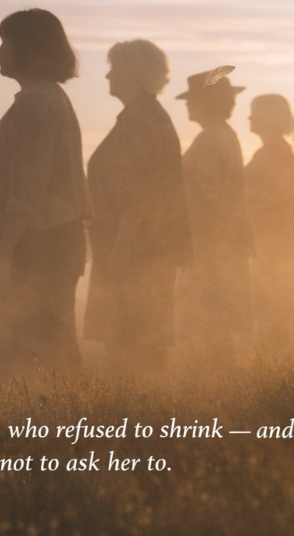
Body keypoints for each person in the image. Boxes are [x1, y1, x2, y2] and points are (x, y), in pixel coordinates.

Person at [0, 9, 90, 377]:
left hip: (34, 244)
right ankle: (68, 423)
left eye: (5, 44)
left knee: (27, 352)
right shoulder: (53, 97)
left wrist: (5, 253)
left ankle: (41, 429)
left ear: (28, 49)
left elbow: (28, 188)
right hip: (56, 239)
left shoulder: (34, 102)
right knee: (54, 347)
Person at [83, 40, 191, 375]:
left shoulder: (141, 118)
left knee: (131, 338)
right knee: (137, 337)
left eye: (115, 68)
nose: (108, 76)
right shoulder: (143, 115)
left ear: (134, 74)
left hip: (136, 249)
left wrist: (123, 245)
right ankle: (142, 413)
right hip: (139, 246)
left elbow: (144, 191)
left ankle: (138, 418)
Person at [176, 68, 251, 360]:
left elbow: (208, 197)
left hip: (210, 243)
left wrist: (199, 239)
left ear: (205, 103)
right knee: (218, 316)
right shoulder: (225, 135)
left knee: (210, 314)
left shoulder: (209, 139)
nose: (187, 105)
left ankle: (215, 380)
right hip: (223, 241)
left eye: (192, 99)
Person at [245, 93, 294, 348]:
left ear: (268, 118)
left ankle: (278, 371)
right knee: (273, 308)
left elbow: (277, 198)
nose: (249, 117)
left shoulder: (274, 152)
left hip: (275, 241)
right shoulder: (276, 150)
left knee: (274, 308)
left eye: (254, 112)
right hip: (277, 239)